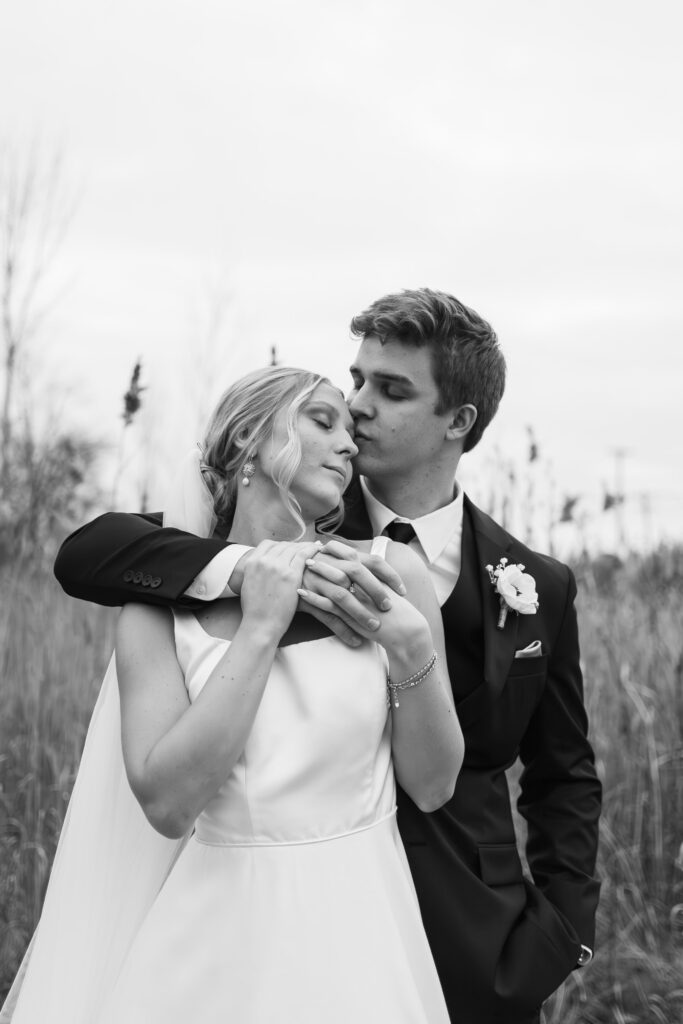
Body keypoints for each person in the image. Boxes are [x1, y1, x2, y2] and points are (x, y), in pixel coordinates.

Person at [51, 288, 601, 1023]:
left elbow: (562, 774)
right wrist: (249, 572)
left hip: (473, 942)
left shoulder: (538, 583)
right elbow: (89, 555)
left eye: (391, 389)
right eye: (356, 382)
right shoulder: (220, 540)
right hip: (251, 929)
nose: (360, 405)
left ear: (458, 421)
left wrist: (563, 935)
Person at [2, 366, 463, 1023]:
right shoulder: (156, 611)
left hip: (360, 930)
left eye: (347, 430)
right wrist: (260, 626)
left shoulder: (389, 574)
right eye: (322, 420)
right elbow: (167, 802)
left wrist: (413, 647)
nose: (348, 443)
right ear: (250, 435)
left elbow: (433, 784)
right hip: (215, 947)